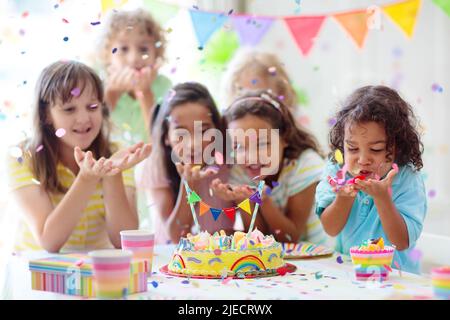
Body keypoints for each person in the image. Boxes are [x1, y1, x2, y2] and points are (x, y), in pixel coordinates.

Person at [7, 60, 151, 252]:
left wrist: (112, 174)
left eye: (92, 107)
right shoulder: (21, 158)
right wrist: (86, 179)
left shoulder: (117, 154)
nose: (83, 119)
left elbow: (122, 241)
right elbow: (49, 241)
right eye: (69, 109)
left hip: (95, 272)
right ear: (46, 114)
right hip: (38, 274)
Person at [315, 85, 426, 274]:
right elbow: (331, 229)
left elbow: (401, 242)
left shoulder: (407, 178)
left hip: (397, 279)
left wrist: (383, 198)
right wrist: (343, 198)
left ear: (398, 146)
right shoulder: (337, 170)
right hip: (350, 274)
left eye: (376, 149)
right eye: (352, 148)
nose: (363, 160)